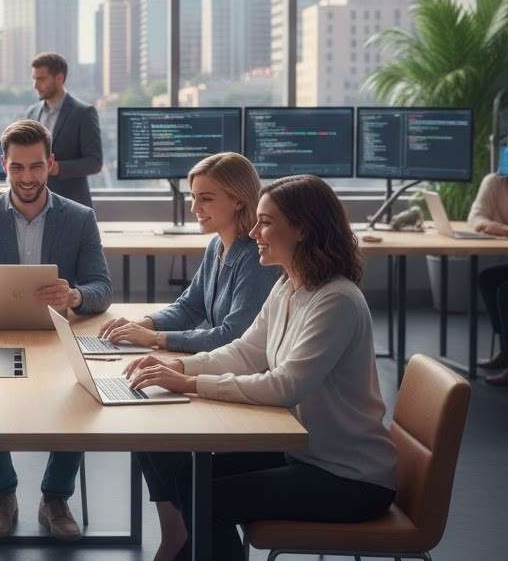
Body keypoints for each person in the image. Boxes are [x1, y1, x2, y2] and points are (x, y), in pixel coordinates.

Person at [124, 174, 397, 561]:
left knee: (210, 499)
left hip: (348, 478)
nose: (253, 232)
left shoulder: (336, 301)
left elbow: (285, 386)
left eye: (266, 222)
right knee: (191, 480)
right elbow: (245, 351)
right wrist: (177, 365)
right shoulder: (290, 286)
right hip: (305, 454)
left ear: (302, 229)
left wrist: (191, 382)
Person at [0, 119, 112, 541]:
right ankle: (3, 493)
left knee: (83, 390)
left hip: (57, 338)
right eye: (17, 168)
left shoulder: (80, 219)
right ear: (3, 165)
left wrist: (75, 297)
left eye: (35, 167)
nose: (27, 178)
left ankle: (55, 497)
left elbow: (102, 287)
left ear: (50, 164)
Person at [98, 153, 279, 352]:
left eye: (206, 199)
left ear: (239, 200)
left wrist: (154, 337)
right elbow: (189, 307)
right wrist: (139, 325)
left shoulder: (256, 257)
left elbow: (233, 336)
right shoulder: (216, 245)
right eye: (193, 197)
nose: (194, 208)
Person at [24, 52, 102, 209]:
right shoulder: (31, 113)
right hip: (35, 206)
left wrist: (58, 168)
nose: (35, 85)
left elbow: (94, 162)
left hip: (72, 206)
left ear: (59, 78)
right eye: (34, 79)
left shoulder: (84, 113)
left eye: (41, 79)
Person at [469, 172, 508, 385]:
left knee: (506, 291)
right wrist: (488, 225)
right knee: (489, 279)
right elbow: (476, 217)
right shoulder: (494, 182)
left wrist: (501, 228)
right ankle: (506, 351)